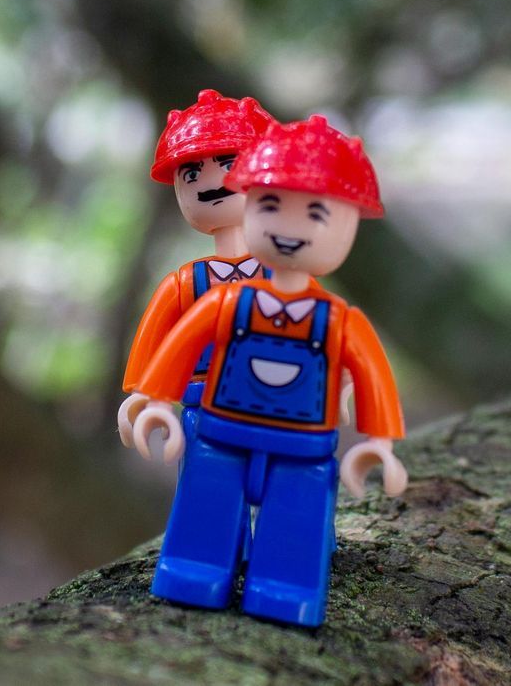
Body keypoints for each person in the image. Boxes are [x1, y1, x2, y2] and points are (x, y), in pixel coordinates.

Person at [129, 115, 406, 627]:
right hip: (219, 429)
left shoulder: (338, 320)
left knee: (295, 519)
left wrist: (379, 441)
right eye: (271, 205)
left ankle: (286, 587)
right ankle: (195, 569)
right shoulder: (219, 301)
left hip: (303, 443)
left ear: (348, 226)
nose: (288, 228)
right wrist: (157, 400)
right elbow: (177, 344)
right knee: (207, 504)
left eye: (315, 213)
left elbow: (371, 373)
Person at [117, 89, 276, 448]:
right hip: (206, 408)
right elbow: (153, 342)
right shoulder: (185, 284)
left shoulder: (283, 274)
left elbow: (324, 325)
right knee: (208, 478)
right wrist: (147, 394)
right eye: (191, 175)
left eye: (229, 165)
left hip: (278, 402)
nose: (210, 185)